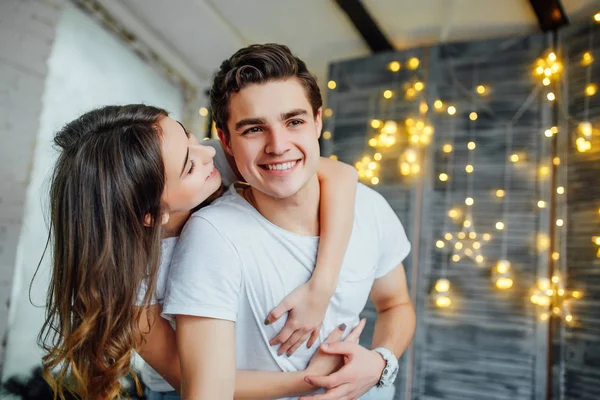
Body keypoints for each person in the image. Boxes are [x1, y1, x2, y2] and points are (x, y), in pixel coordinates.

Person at [39, 103, 360, 400]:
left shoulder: (208, 159)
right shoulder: (130, 284)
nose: (208, 151)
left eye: (189, 135)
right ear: (151, 214)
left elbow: (340, 174)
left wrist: (321, 287)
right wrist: (312, 378)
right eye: (190, 165)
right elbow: (190, 379)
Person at [163, 43, 416, 400]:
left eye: (294, 121)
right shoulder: (212, 235)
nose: (278, 145)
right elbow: (201, 387)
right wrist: (315, 381)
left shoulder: (369, 206)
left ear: (317, 122)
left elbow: (396, 305)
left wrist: (381, 361)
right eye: (253, 129)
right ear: (226, 141)